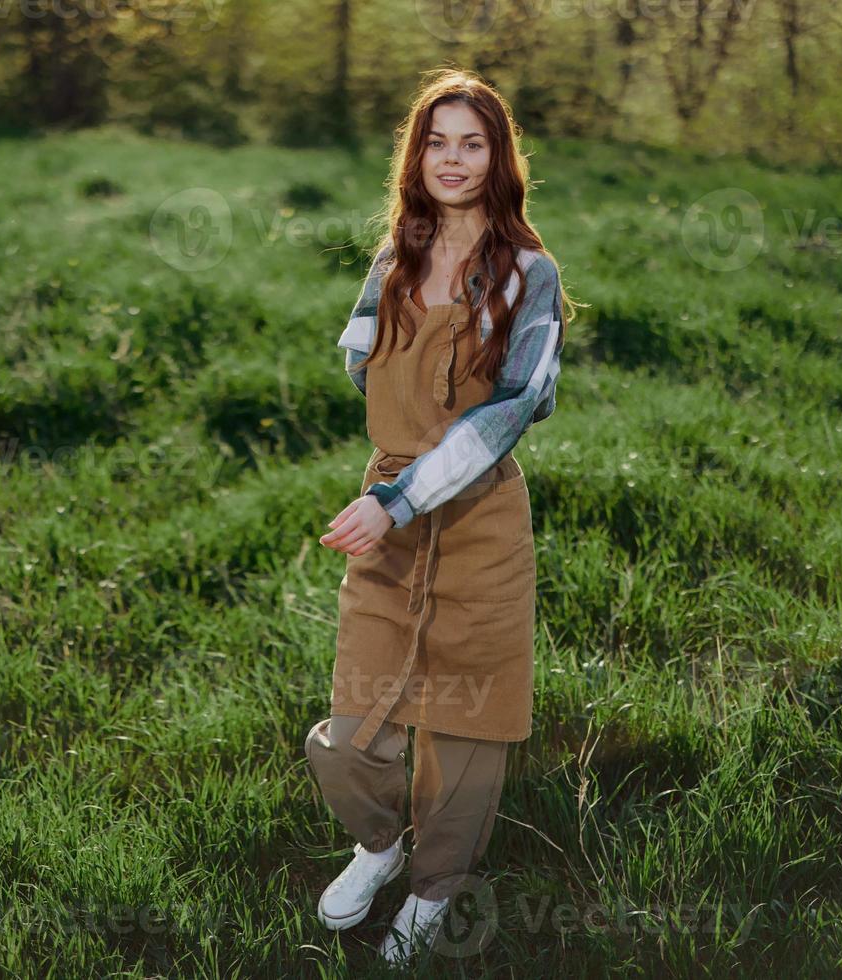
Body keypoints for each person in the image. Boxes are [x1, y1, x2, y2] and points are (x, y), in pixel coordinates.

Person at [308, 68, 573, 968]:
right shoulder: (392, 260)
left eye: (473, 143)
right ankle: (380, 845)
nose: (452, 160)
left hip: (477, 517)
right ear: (415, 156)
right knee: (354, 730)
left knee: (466, 723)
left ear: (500, 158)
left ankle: (434, 888)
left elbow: (511, 411)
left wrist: (399, 494)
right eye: (436, 141)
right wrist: (394, 460)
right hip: (388, 505)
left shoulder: (530, 276)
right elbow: (356, 359)